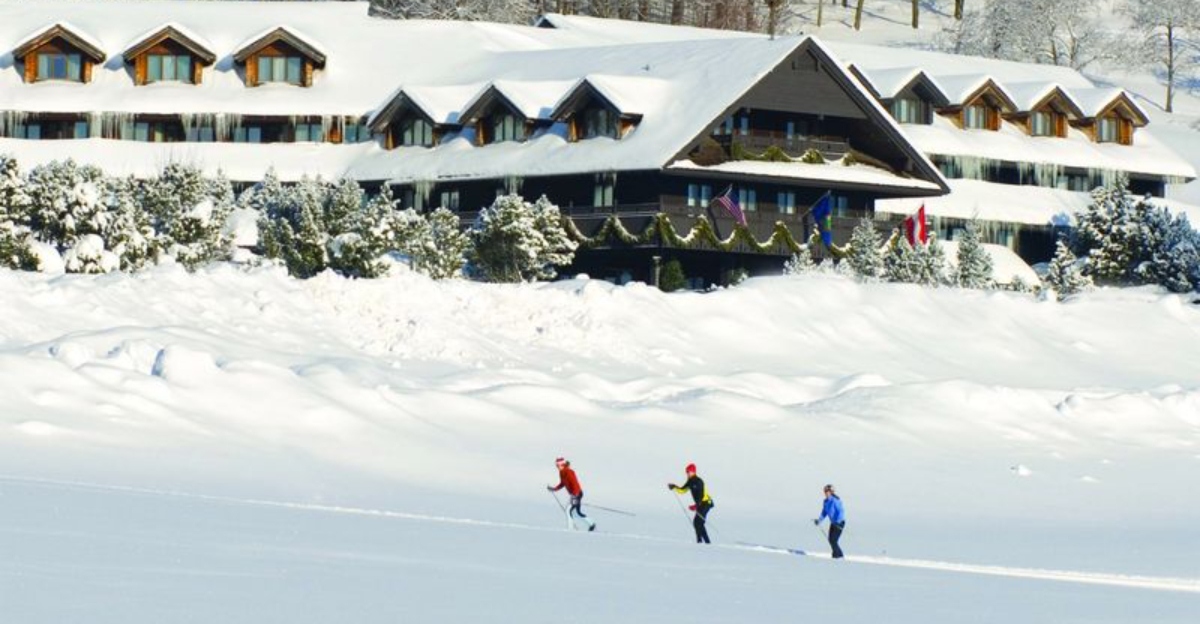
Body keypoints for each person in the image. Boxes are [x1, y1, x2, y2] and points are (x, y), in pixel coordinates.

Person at [668, 463, 714, 544]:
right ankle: (705, 543)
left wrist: (696, 505)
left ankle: (701, 542)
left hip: (706, 503)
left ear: (693, 472)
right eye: (687, 472)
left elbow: (701, 495)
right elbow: (682, 490)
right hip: (700, 504)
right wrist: (674, 487)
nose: (687, 473)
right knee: (698, 523)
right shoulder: (690, 481)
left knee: (698, 522)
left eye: (689, 472)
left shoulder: (699, 481)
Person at [547, 457, 595, 532]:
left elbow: (575, 484)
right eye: (556, 466)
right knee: (576, 512)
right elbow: (562, 483)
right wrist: (554, 489)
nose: (557, 467)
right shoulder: (561, 472)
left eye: (558, 465)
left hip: (577, 493)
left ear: (562, 464)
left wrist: (575, 496)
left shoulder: (569, 472)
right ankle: (591, 524)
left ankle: (570, 529)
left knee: (568, 510)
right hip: (575, 494)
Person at [813, 484, 845, 559]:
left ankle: (839, 556)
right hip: (833, 523)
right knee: (831, 540)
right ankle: (836, 555)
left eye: (827, 491)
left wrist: (838, 521)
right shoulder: (825, 501)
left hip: (839, 523)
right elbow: (824, 512)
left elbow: (841, 512)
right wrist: (819, 520)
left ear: (831, 492)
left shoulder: (835, 500)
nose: (826, 493)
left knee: (833, 540)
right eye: (825, 491)